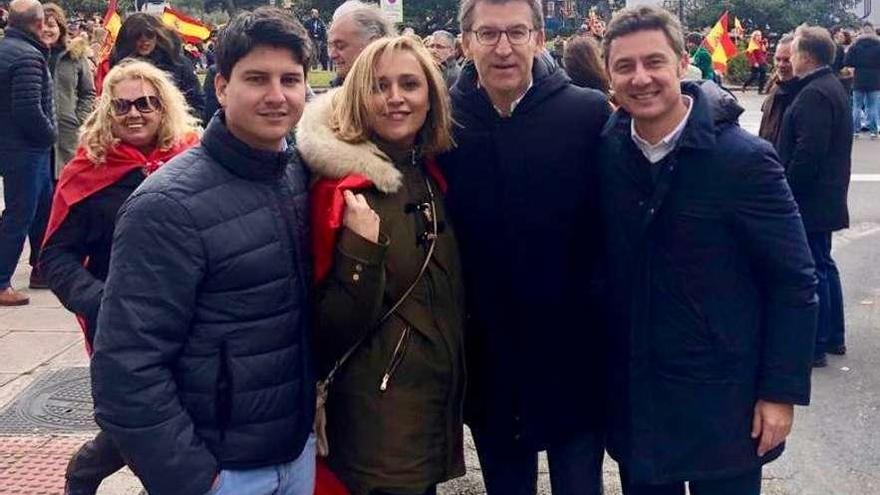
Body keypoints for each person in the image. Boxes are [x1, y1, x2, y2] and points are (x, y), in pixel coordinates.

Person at [89, 8, 316, 495]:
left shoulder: (300, 175)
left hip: (296, 454)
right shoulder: (165, 206)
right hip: (222, 471)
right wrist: (197, 481)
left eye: (290, 79)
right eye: (257, 79)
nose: (277, 96)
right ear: (220, 87)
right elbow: (126, 368)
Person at [598, 6, 818, 494]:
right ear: (608, 74)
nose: (641, 78)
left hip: (725, 399)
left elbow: (794, 282)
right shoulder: (607, 154)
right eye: (624, 66)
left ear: (681, 64)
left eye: (654, 62)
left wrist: (780, 392)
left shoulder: (743, 161)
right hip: (642, 401)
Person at [439, 0, 611, 492]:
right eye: (488, 34)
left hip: (574, 353)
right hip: (490, 359)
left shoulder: (586, 114)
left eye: (516, 32)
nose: (503, 48)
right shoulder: (441, 123)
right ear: (466, 42)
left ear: (539, 38)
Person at [297, 35, 466, 495]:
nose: (395, 98)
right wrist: (359, 251)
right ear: (358, 97)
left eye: (409, 84)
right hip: (376, 424)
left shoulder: (428, 173)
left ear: (430, 96)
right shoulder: (340, 190)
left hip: (427, 411)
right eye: (379, 85)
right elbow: (325, 329)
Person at [40, 59, 199, 495]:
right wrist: (99, 300)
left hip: (192, 317)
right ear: (108, 111)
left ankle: (92, 470)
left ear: (163, 107)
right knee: (140, 413)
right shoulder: (88, 169)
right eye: (123, 105)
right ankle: (88, 471)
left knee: (179, 412)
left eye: (146, 103)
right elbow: (54, 255)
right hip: (121, 323)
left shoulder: (193, 159)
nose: (134, 113)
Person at [777, 26, 852, 368]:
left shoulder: (815, 94)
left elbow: (808, 153)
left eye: (792, 53)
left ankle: (818, 341)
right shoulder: (825, 87)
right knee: (823, 264)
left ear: (806, 56)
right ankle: (832, 335)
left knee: (813, 269)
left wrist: (785, 193)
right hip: (824, 196)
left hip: (811, 200)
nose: (789, 59)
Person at [0, 0, 56, 305]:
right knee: (20, 213)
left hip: (14, 144)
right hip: (27, 147)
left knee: (42, 209)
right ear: (37, 24)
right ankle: (1, 280)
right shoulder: (28, 57)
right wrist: (50, 135)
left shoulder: (8, 50)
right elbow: (28, 110)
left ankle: (41, 268)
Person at [96, 13, 204, 119]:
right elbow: (110, 104)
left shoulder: (178, 62)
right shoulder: (119, 65)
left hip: (173, 129)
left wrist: (180, 126)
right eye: (137, 35)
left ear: (157, 35)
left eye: (149, 34)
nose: (144, 40)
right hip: (131, 127)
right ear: (128, 38)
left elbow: (197, 103)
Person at [42, 3, 95, 181]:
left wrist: (78, 119)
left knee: (66, 186)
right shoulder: (30, 55)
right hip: (36, 136)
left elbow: (88, 92)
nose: (46, 30)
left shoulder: (75, 56)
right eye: (41, 25)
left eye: (51, 25)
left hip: (67, 135)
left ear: (60, 28)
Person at [328, 0, 394, 86]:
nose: (332, 55)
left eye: (340, 46)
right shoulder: (336, 94)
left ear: (373, 44)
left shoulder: (398, 90)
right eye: (330, 46)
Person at [759, 35, 799, 144]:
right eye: (778, 59)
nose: (781, 65)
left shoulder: (804, 94)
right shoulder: (774, 89)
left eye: (787, 60)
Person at [843, 22, 880, 138]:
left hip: (859, 78)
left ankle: (855, 131)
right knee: (872, 106)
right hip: (875, 78)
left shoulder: (855, 46)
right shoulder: (878, 46)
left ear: (862, 31)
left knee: (857, 106)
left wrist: (856, 65)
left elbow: (846, 61)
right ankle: (873, 131)